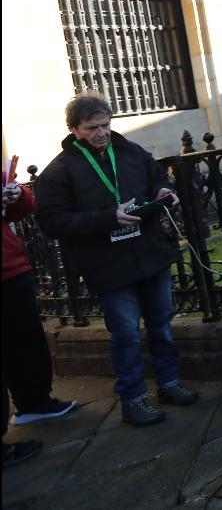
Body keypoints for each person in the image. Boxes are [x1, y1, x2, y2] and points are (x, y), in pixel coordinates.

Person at [34, 93, 199, 427]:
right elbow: (52, 222)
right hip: (108, 264)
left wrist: (164, 192)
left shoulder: (129, 150)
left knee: (162, 324)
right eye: (92, 127)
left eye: (105, 125)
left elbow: (158, 178)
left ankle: (169, 383)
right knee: (126, 333)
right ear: (73, 129)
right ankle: (133, 398)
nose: (101, 133)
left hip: (150, 252)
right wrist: (110, 217)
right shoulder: (58, 172)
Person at [4, 170, 77, 428]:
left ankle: (34, 403)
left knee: (27, 341)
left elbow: (25, 205)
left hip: (11, 269)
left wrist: (17, 193)